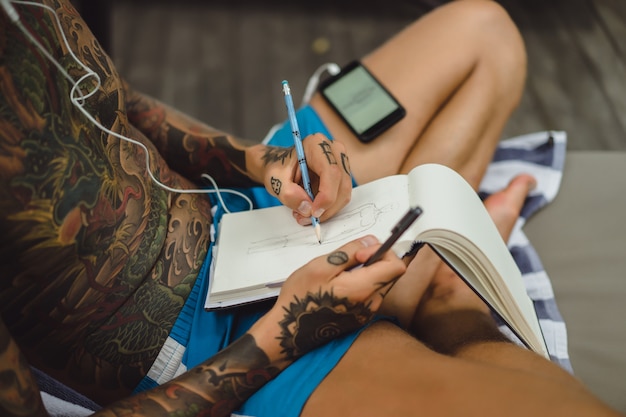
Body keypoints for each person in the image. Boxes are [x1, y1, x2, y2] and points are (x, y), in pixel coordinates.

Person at [0, 0, 620, 416]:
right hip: (214, 345)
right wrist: (281, 337)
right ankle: (442, 307)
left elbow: (126, 107)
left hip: (242, 211)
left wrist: (254, 160)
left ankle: (408, 285)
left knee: (484, 30)